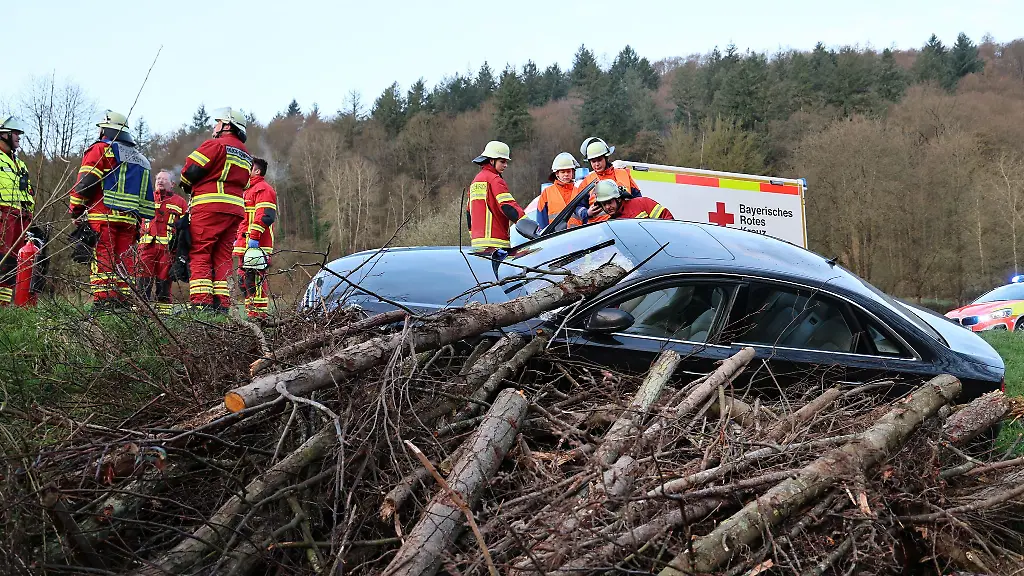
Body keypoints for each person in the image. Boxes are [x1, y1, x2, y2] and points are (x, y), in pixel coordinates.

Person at [70, 110, 155, 308]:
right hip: (130, 220)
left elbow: (85, 184)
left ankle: (104, 302)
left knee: (103, 258)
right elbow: (146, 197)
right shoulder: (141, 159)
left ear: (105, 130)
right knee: (124, 261)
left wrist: (76, 209)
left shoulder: (101, 149)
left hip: (104, 215)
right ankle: (123, 303)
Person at [180, 107, 252, 312]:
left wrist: (186, 184)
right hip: (235, 210)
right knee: (222, 256)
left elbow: (190, 170)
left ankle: (201, 303)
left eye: (217, 122)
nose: (215, 126)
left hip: (209, 206)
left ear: (227, 125)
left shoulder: (215, 144)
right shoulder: (247, 155)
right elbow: (245, 183)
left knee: (200, 251)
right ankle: (222, 304)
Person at [137, 170, 188, 313]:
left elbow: (185, 229)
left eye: (164, 179)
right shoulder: (146, 198)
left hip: (167, 251)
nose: (160, 181)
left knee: (164, 285)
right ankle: (141, 315)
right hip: (146, 248)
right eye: (158, 178)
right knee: (142, 283)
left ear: (172, 184)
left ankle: (164, 317)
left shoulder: (180, 203)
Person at [233, 157, 277, 319]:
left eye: (248, 168)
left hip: (258, 244)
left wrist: (255, 237)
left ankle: (259, 317)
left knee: (255, 280)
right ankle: (252, 314)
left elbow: (265, 216)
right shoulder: (246, 191)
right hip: (244, 245)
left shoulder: (263, 189)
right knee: (244, 282)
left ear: (256, 171)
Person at [568, 137, 641, 227]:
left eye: (599, 160)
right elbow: (577, 207)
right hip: (599, 230)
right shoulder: (587, 181)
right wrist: (587, 212)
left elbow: (638, 200)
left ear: (606, 158)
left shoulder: (624, 174)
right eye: (593, 161)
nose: (596, 164)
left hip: (625, 225)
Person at [466, 140, 524, 251]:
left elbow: (469, 213)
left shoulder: (475, 182)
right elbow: (508, 206)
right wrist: (527, 224)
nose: (505, 165)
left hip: (477, 244)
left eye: (506, 162)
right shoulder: (495, 180)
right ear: (492, 160)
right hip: (496, 243)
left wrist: (473, 234)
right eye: (502, 161)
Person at [0, 117, 33, 307]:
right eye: (15, 133)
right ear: (3, 134)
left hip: (20, 218)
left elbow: (27, 192)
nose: (19, 137)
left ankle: (3, 307)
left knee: (12, 264)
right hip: (3, 216)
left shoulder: (20, 164)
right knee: (1, 259)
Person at [536, 152, 579, 228]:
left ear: (573, 172)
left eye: (568, 171)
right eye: (563, 172)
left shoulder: (579, 191)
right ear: (557, 173)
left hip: (579, 236)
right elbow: (541, 221)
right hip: (556, 238)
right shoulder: (547, 193)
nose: (566, 174)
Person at [592, 180, 672, 221]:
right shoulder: (611, 224)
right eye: (604, 204)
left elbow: (668, 220)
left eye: (609, 202)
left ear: (618, 199)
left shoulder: (643, 203)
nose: (607, 207)